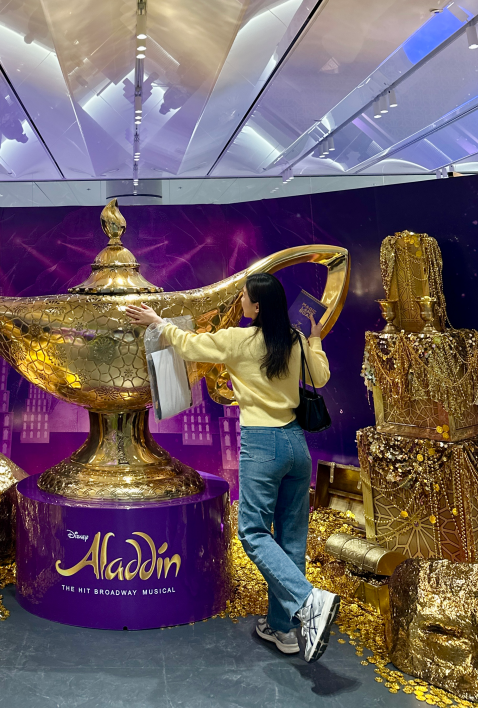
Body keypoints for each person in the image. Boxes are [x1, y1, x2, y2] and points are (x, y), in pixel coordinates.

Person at [126, 273, 340, 663]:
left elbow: (189, 345)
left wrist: (157, 321)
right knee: (291, 540)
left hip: (263, 445)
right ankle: (282, 627)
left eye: (243, 296)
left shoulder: (239, 340)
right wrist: (315, 338)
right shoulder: (294, 339)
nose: (240, 300)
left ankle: (309, 601)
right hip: (297, 446)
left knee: (253, 533)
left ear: (256, 306)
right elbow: (321, 376)